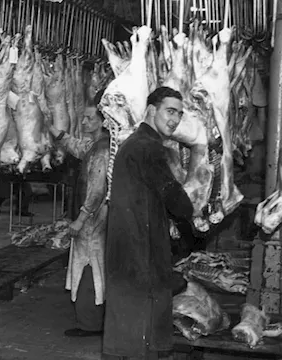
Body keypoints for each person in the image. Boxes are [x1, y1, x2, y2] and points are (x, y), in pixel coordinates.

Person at [103, 87, 194, 360]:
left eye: (179, 113)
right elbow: (172, 194)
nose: (175, 119)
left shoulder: (136, 143)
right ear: (152, 110)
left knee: (129, 328)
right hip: (139, 251)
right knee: (141, 334)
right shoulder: (147, 147)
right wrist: (190, 212)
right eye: (170, 111)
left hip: (130, 246)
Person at [53, 90, 110, 337]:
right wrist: (51, 128)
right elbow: (75, 145)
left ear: (102, 121)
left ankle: (90, 323)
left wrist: (80, 218)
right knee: (88, 262)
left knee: (89, 264)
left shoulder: (102, 151)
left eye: (89, 118)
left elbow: (97, 189)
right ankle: (91, 318)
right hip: (93, 217)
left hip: (93, 218)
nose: (84, 122)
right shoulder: (93, 145)